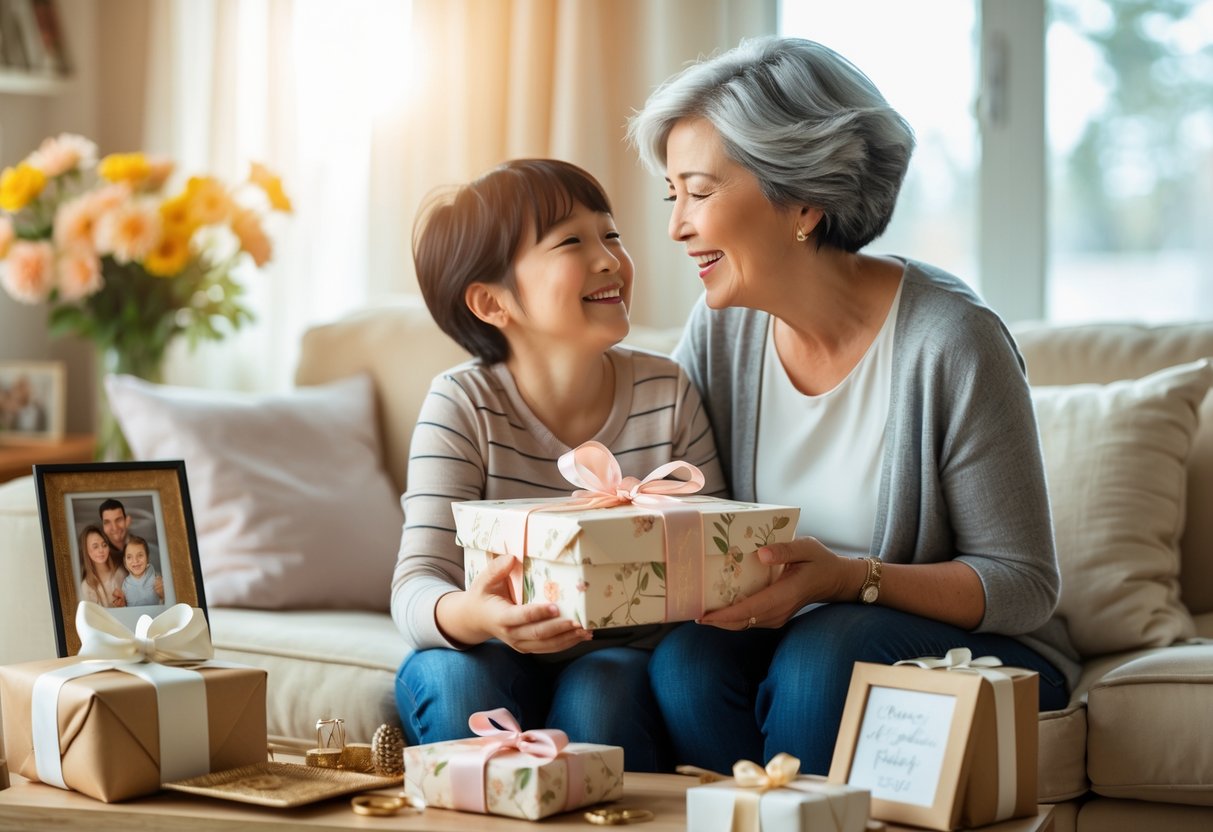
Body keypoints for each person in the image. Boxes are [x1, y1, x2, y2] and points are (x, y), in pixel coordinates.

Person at [626, 35, 1077, 775]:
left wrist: (847, 577)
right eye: (671, 195)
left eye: (699, 193)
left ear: (801, 200)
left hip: (976, 647)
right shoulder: (720, 327)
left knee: (822, 650)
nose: (676, 226)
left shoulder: (951, 341)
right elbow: (660, 484)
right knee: (687, 662)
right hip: (789, 635)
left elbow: (1023, 586)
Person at [392, 159, 726, 772]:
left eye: (612, 235)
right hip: (487, 648)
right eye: (573, 241)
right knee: (450, 676)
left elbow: (715, 558)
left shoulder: (666, 390)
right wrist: (480, 616)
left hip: (618, 655)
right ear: (492, 302)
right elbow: (415, 586)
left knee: (603, 692)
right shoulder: (462, 403)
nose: (608, 259)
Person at [78, 524, 127, 608]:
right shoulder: (85, 587)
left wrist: (124, 604)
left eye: (104, 545)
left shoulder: (120, 574)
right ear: (86, 550)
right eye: (95, 547)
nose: (101, 550)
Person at [120, 535, 164, 607]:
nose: (135, 560)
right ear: (125, 562)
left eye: (140, 555)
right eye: (129, 557)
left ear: (147, 558)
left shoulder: (158, 579)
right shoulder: (125, 586)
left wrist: (163, 595)